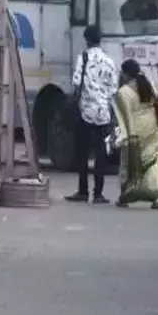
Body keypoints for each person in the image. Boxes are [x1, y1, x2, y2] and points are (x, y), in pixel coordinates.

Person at [64, 24, 118, 205]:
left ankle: (83, 190)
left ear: (87, 39)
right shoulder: (110, 61)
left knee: (83, 152)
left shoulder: (83, 58)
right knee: (101, 155)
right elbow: (113, 89)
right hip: (103, 114)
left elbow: (76, 82)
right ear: (100, 39)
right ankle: (99, 194)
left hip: (85, 112)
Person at [113, 59, 158, 209]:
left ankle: (125, 197)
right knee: (152, 160)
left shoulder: (123, 92)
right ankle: (156, 198)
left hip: (135, 128)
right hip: (151, 126)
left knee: (129, 162)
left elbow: (125, 116)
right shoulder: (148, 85)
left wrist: (127, 135)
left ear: (126, 74)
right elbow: (157, 102)